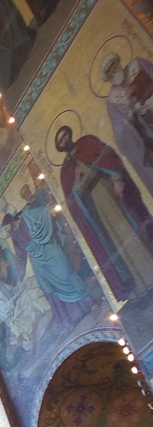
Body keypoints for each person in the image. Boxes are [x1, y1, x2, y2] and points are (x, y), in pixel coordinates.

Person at [55, 124, 153, 300]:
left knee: (130, 231)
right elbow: (72, 200)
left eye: (65, 136)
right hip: (96, 208)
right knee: (117, 242)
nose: (65, 140)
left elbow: (108, 158)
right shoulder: (65, 172)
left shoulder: (87, 143)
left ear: (70, 135)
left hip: (110, 194)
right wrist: (77, 181)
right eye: (61, 141)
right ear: (60, 147)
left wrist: (116, 178)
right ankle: (141, 283)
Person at [2, 181, 92, 327]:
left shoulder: (27, 214)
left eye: (7, 227)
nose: (8, 230)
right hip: (38, 263)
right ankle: (69, 318)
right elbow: (20, 256)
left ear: (10, 221)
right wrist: (20, 275)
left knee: (66, 273)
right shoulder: (14, 235)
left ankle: (87, 304)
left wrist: (43, 192)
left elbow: (43, 209)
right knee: (49, 287)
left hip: (50, 250)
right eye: (6, 229)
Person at [99, 52, 153, 194]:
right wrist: (131, 106)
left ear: (118, 62)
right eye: (109, 72)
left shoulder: (139, 64)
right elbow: (120, 134)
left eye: (113, 66)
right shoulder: (113, 102)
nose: (113, 71)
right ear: (107, 78)